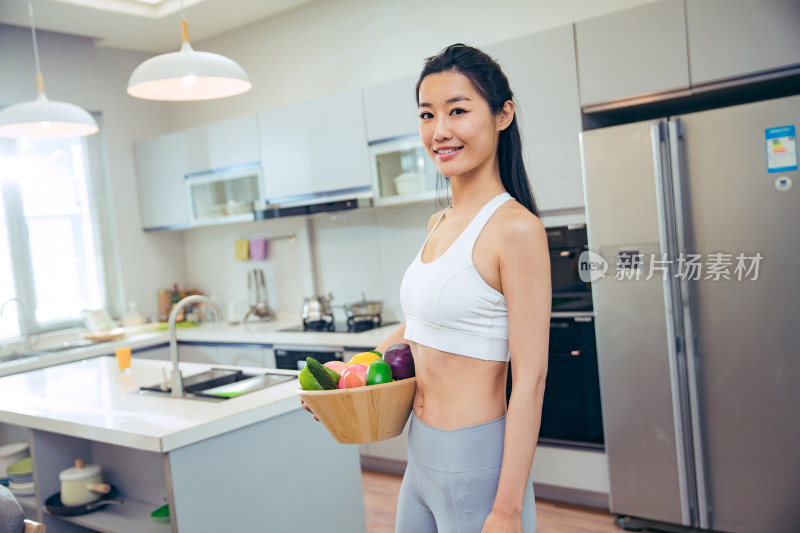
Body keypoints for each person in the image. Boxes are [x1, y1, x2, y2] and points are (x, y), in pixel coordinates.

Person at [303, 43, 550, 533]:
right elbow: (419, 329)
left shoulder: (515, 230)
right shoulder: (439, 221)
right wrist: (343, 381)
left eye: (458, 110)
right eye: (427, 115)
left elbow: (531, 380)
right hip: (419, 452)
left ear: (503, 115)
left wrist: (506, 509)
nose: (440, 132)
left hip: (475, 461)